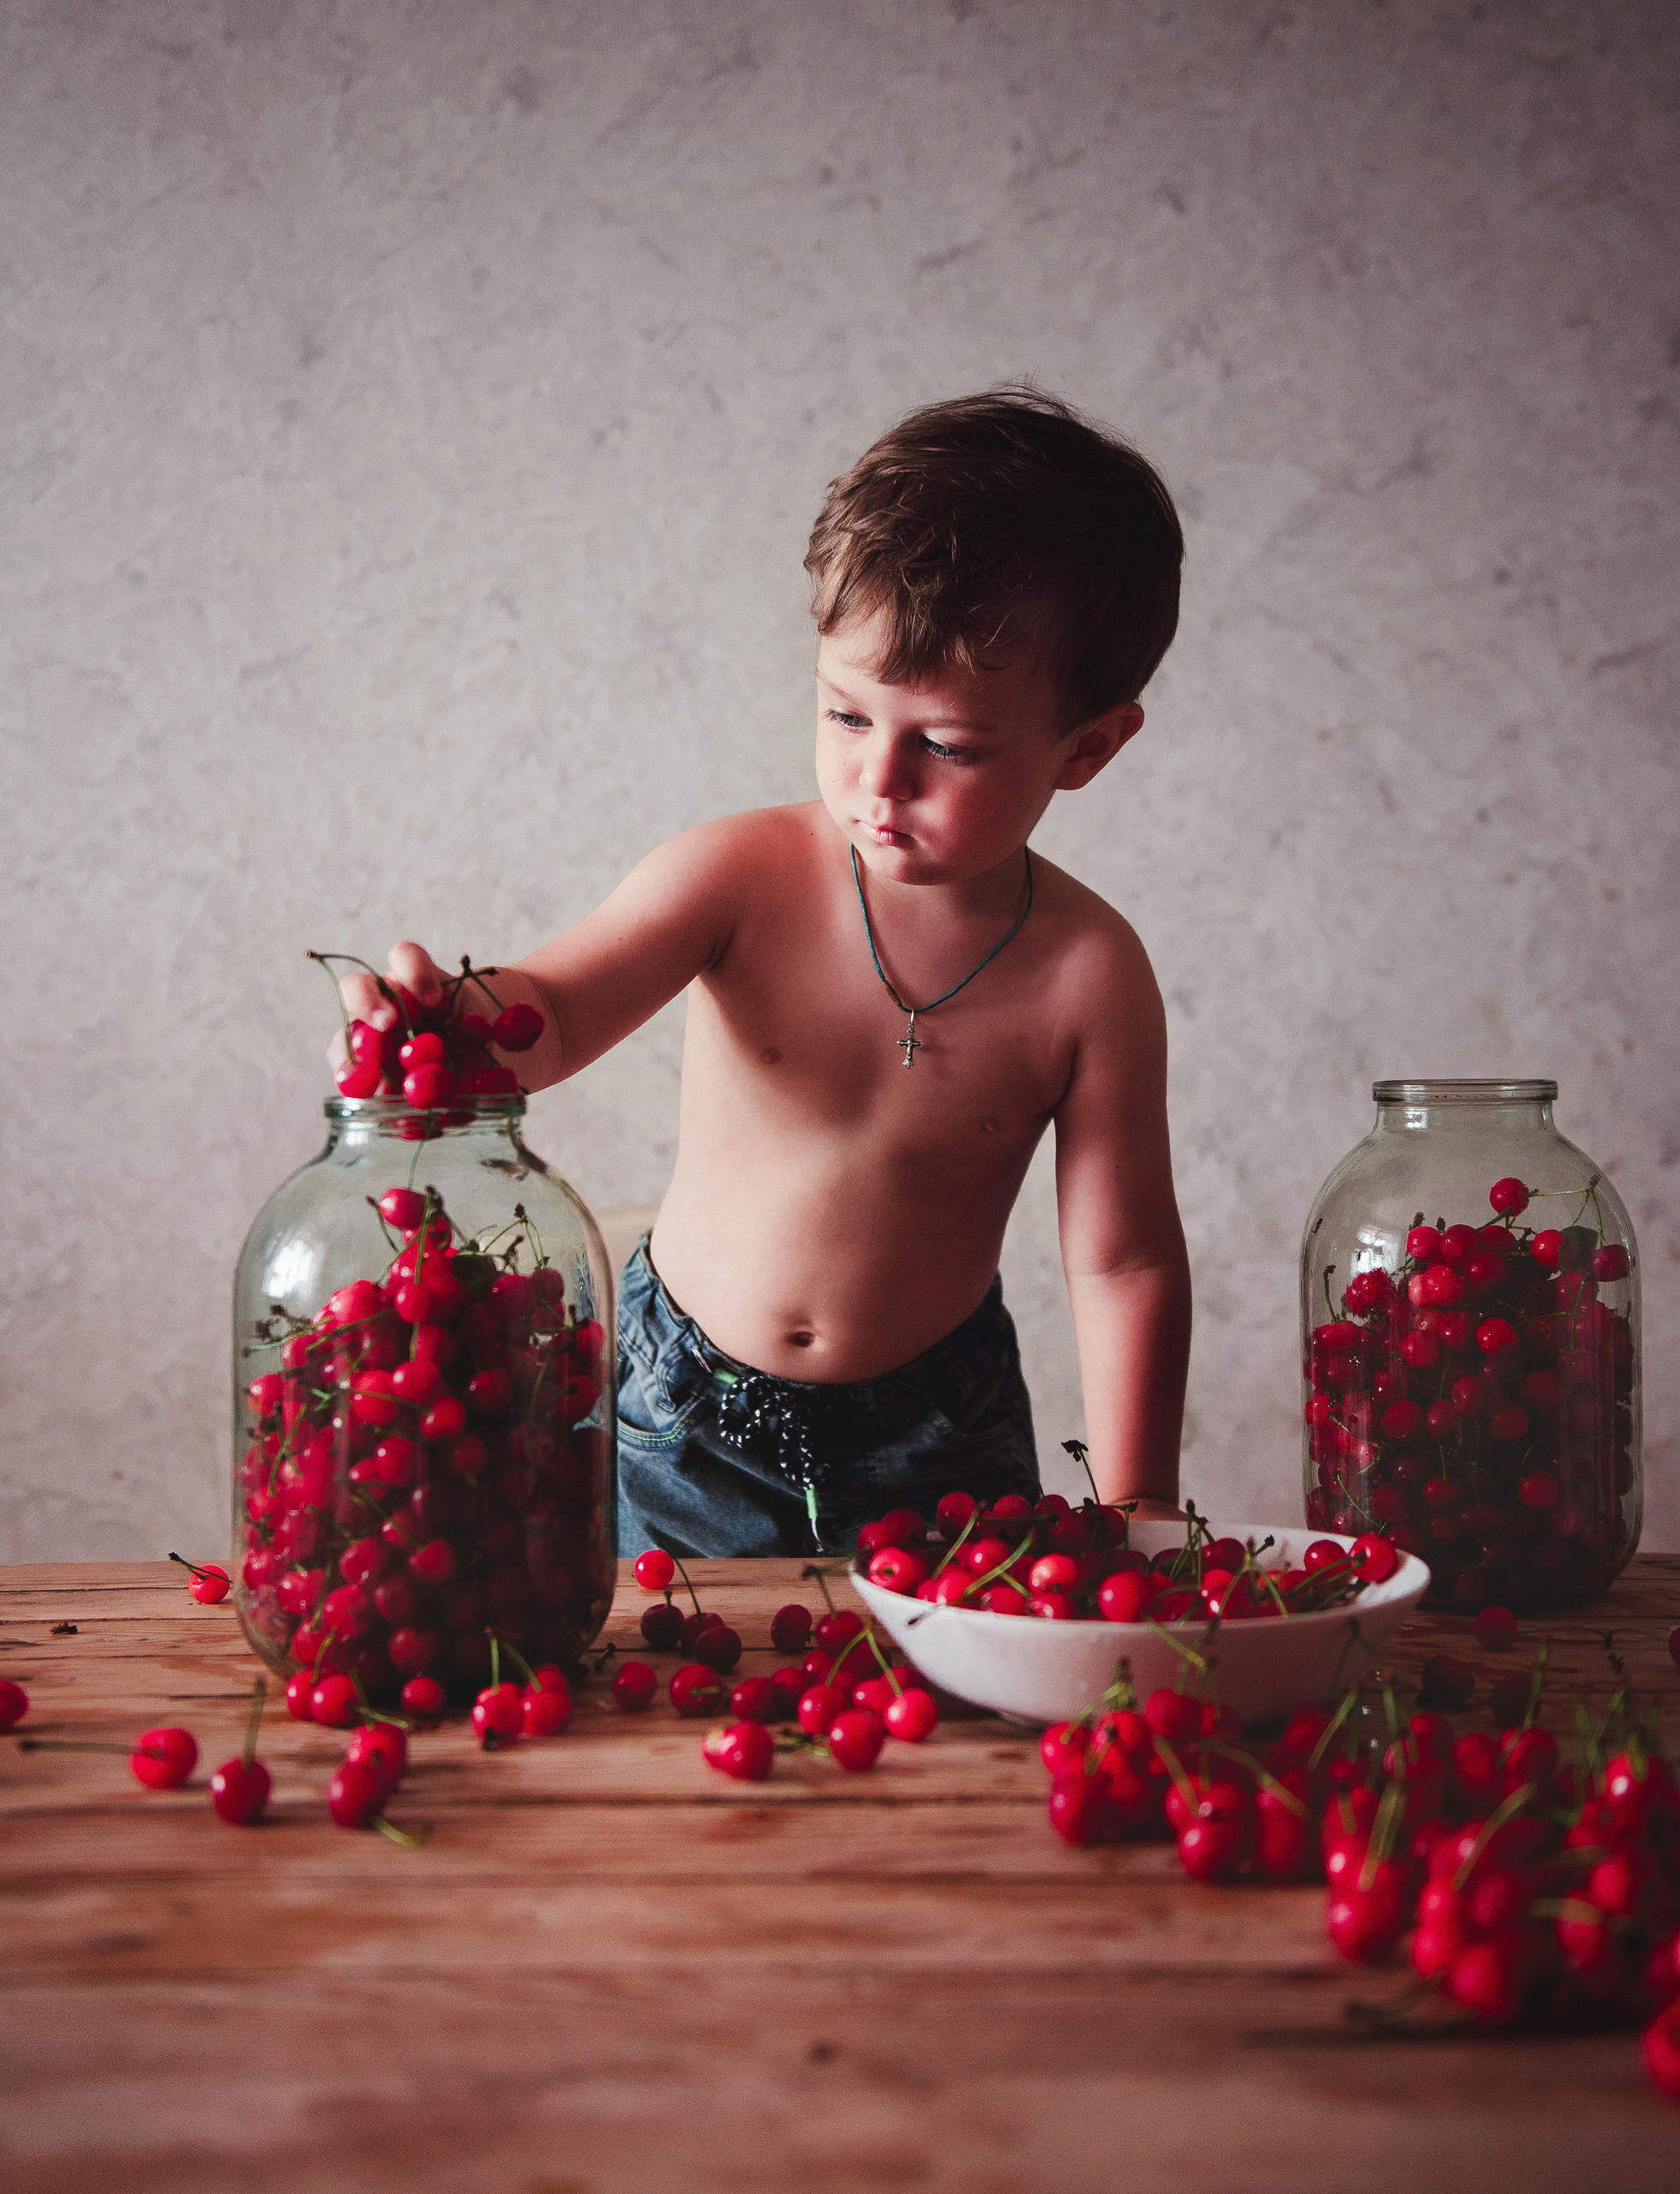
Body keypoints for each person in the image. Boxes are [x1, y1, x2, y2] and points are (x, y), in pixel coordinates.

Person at [339, 387, 1192, 1557]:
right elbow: (560, 1011)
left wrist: (1137, 1498)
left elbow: (1125, 1254)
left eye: (945, 744)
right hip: (681, 1415)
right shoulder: (740, 874)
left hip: (944, 1441)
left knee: (943, 1725)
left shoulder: (1089, 974)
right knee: (654, 1702)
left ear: (1088, 747)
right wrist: (442, 1024)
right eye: (846, 715)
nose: (878, 781)